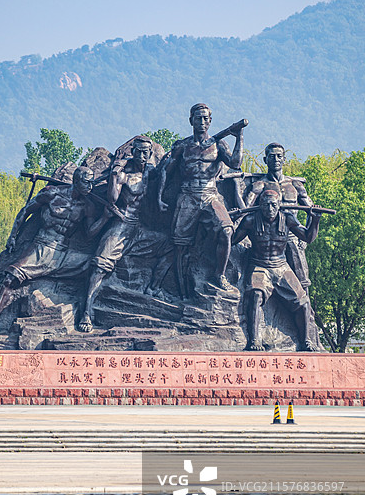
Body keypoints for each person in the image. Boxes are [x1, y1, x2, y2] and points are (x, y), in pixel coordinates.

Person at [0, 166, 108, 335]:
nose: (90, 186)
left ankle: (86, 314)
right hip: (41, 246)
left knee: (96, 266)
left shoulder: (87, 206)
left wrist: (105, 218)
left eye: (92, 183)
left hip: (63, 253)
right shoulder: (52, 193)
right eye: (86, 182)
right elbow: (25, 211)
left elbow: (89, 235)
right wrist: (12, 236)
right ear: (76, 181)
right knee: (9, 278)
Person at [157, 103, 244, 299]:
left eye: (206, 118)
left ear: (210, 122)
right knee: (180, 245)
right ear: (191, 121)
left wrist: (239, 137)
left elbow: (236, 164)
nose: (202, 122)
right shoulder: (182, 146)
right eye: (198, 118)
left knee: (226, 230)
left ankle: (219, 276)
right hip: (187, 195)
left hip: (210, 194)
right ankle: (181, 291)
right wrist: (159, 197)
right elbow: (165, 172)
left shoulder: (219, 145)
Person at [78, 135, 156, 332]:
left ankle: (154, 289)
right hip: (122, 223)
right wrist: (114, 174)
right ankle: (86, 311)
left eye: (145, 152)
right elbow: (112, 199)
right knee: (100, 263)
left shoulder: (153, 173)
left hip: (143, 227)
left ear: (150, 153)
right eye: (137, 151)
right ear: (132, 152)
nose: (141, 155)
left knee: (172, 244)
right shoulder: (123, 175)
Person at [232, 185, 321, 351]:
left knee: (303, 302)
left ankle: (305, 341)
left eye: (273, 205)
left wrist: (315, 219)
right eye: (266, 204)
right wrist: (232, 221)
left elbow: (308, 237)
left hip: (281, 266)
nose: (270, 208)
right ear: (260, 204)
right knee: (256, 295)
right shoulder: (250, 220)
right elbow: (232, 240)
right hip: (259, 265)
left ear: (279, 204)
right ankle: (254, 341)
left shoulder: (287, 219)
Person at [244, 142, 313, 290]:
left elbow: (311, 210)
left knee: (302, 281)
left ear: (284, 159)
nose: (275, 159)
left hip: (292, 235)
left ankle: (306, 312)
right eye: (272, 156)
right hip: (269, 236)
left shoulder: (295, 185)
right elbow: (246, 209)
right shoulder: (260, 185)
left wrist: (305, 236)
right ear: (265, 160)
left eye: (279, 156)